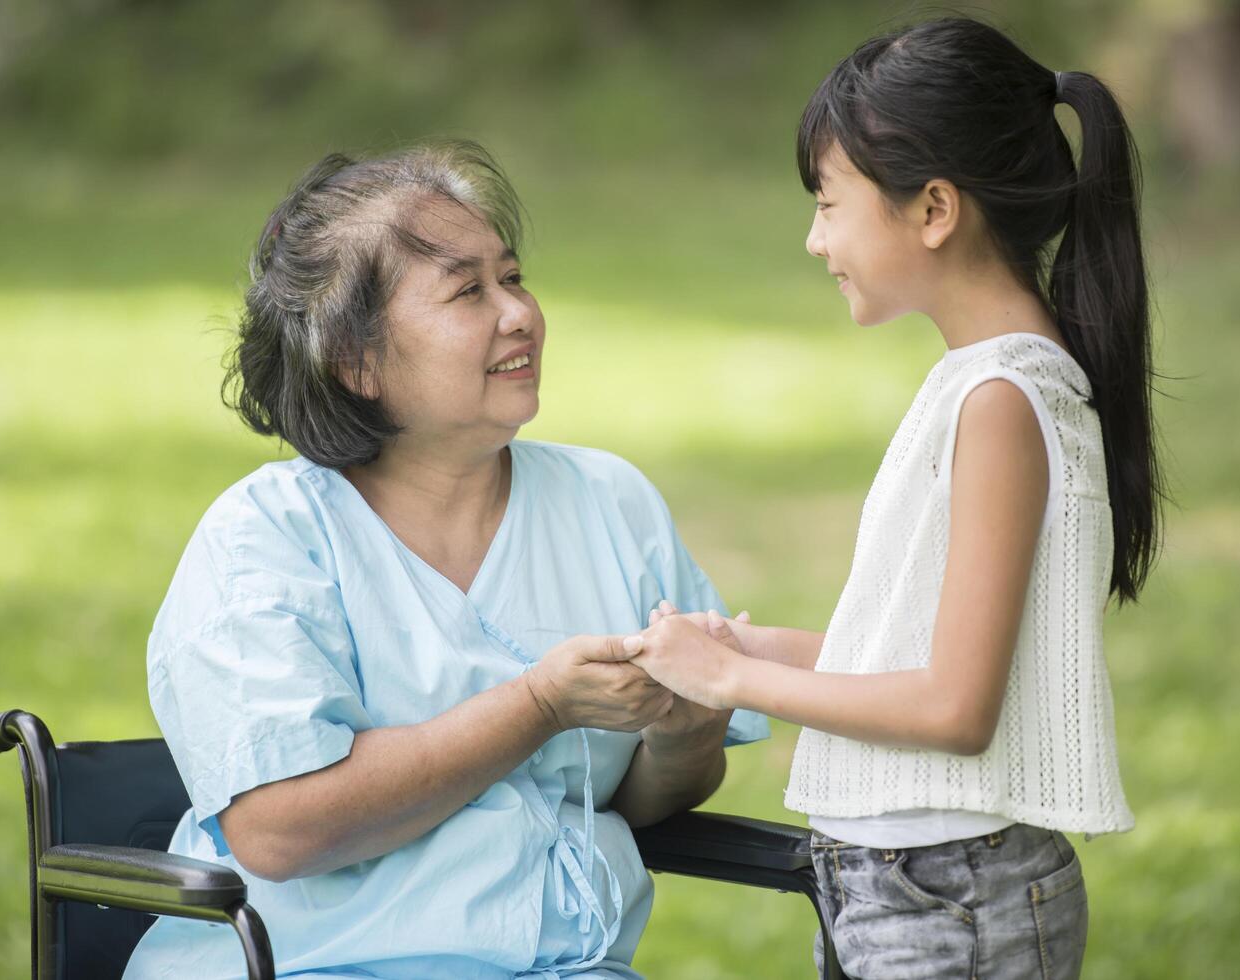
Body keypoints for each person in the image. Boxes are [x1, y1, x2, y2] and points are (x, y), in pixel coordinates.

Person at [122, 140, 769, 980]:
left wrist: (685, 738)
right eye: (468, 292)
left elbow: (631, 798)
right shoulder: (264, 540)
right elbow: (278, 830)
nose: (519, 314)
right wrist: (537, 703)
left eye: (514, 277)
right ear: (354, 360)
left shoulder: (610, 502)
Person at [625, 17, 1164, 979]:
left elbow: (955, 707)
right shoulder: (981, 384)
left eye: (829, 204)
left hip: (947, 902)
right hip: (912, 889)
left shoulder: (1000, 399)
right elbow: (912, 661)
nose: (812, 237)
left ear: (933, 210)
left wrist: (732, 685)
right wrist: (747, 648)